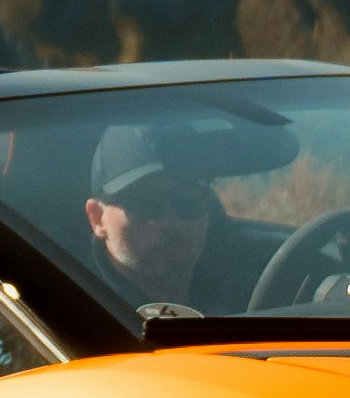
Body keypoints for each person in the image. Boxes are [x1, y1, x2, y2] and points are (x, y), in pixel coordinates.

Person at [76, 124, 274, 311]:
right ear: (97, 218)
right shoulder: (69, 314)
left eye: (188, 198)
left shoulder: (255, 285)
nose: (170, 221)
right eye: (146, 202)